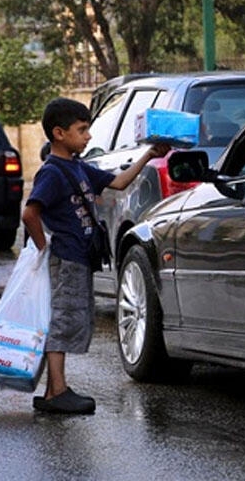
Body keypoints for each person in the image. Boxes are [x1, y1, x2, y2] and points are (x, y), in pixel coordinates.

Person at [21, 97, 169, 414]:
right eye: (82, 129)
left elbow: (118, 181)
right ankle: (57, 391)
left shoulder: (77, 167)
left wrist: (149, 155)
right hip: (67, 257)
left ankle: (53, 391)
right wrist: (44, 249)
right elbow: (30, 214)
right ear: (59, 133)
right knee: (63, 319)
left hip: (79, 257)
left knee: (71, 316)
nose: (88, 136)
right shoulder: (53, 172)